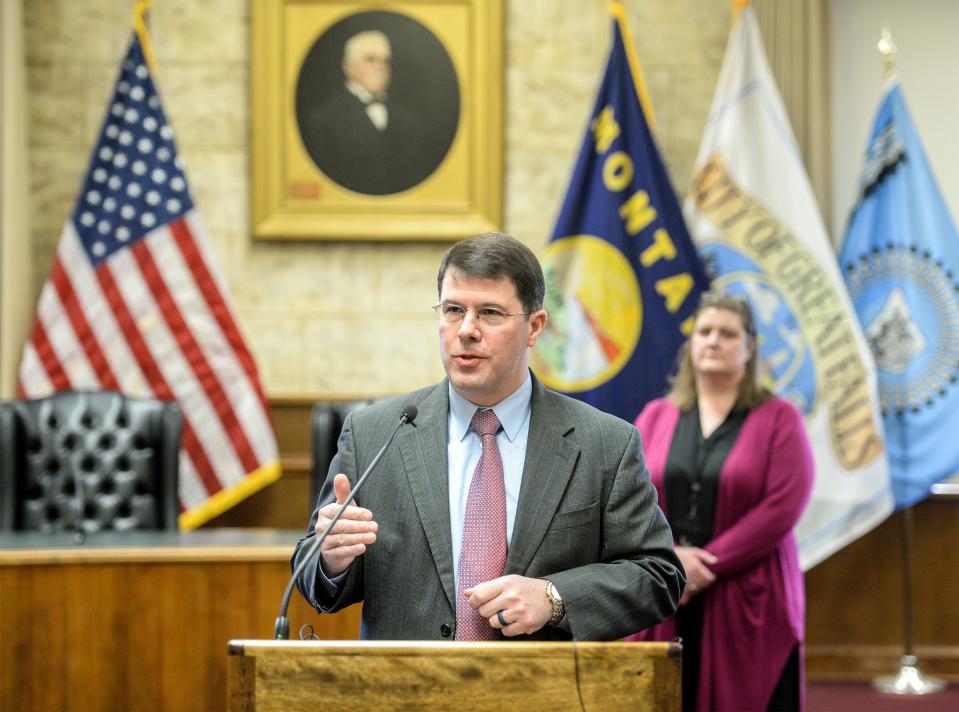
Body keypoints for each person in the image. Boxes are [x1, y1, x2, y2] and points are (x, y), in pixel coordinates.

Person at [293, 232, 684, 641]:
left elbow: (658, 576)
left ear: (535, 327)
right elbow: (312, 576)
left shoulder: (605, 444)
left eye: (490, 313)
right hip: (407, 692)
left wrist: (554, 597)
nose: (466, 330)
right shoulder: (374, 434)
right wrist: (330, 559)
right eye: (453, 310)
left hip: (542, 695)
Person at [627, 290, 815, 711]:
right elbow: (630, 496)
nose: (713, 341)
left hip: (750, 590)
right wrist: (672, 560)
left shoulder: (779, 418)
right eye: (704, 332)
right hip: (665, 586)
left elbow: (782, 507)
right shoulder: (657, 415)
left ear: (749, 349)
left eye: (727, 334)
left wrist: (702, 564)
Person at [299, 29, 430, 195]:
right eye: (370, 59)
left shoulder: (411, 123)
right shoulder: (322, 122)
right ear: (348, 67)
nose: (380, 67)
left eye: (385, 61)